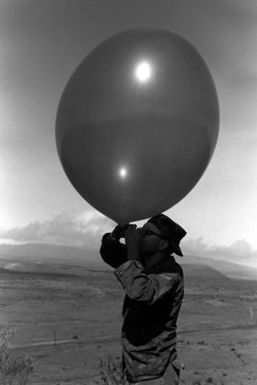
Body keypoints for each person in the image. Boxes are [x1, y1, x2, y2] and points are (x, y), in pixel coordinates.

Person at [100, 214, 186, 385]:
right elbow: (109, 253)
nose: (139, 233)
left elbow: (140, 291)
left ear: (162, 243)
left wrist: (132, 247)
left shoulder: (171, 273)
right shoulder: (142, 260)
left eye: (146, 232)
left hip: (155, 373)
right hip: (135, 368)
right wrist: (116, 235)